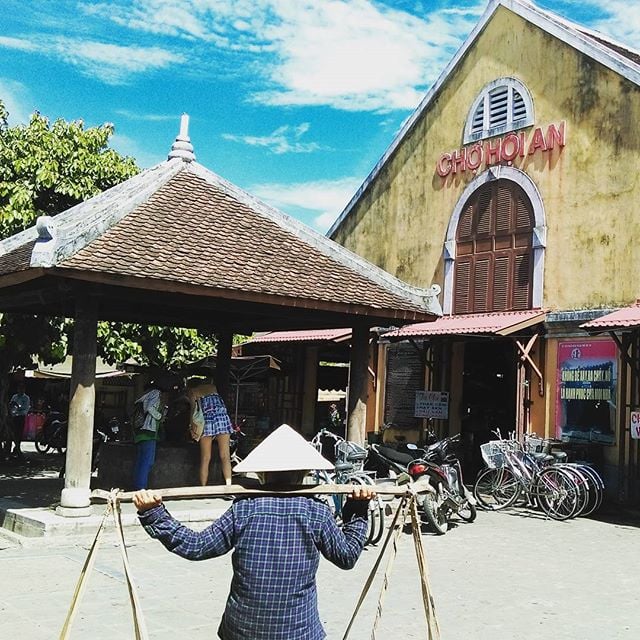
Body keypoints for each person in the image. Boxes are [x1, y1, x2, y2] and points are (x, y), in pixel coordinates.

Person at [133, 424, 375, 640]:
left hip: (243, 630)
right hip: (297, 631)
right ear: (304, 474)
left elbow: (196, 546)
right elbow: (347, 556)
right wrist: (357, 509)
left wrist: (154, 512)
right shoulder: (316, 512)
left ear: (262, 474)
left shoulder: (245, 509)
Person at [187, 376, 234, 486]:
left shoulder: (192, 392)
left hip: (207, 421)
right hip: (222, 418)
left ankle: (203, 486)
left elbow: (193, 411)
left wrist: (191, 426)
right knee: (225, 456)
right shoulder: (213, 387)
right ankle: (228, 485)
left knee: (205, 457)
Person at [132, 383, 166, 491]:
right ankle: (141, 487)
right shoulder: (156, 393)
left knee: (142, 460)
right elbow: (150, 408)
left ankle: (138, 485)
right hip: (148, 432)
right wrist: (160, 417)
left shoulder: (143, 396)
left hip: (141, 432)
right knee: (147, 461)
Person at [8, 383, 30, 459]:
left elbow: (25, 408)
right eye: (19, 388)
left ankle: (17, 449)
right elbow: (10, 404)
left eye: (22, 389)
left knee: (18, 434)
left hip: (20, 417)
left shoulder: (26, 398)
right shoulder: (14, 396)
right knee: (11, 434)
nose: (20, 390)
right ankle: (10, 450)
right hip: (13, 417)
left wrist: (18, 406)